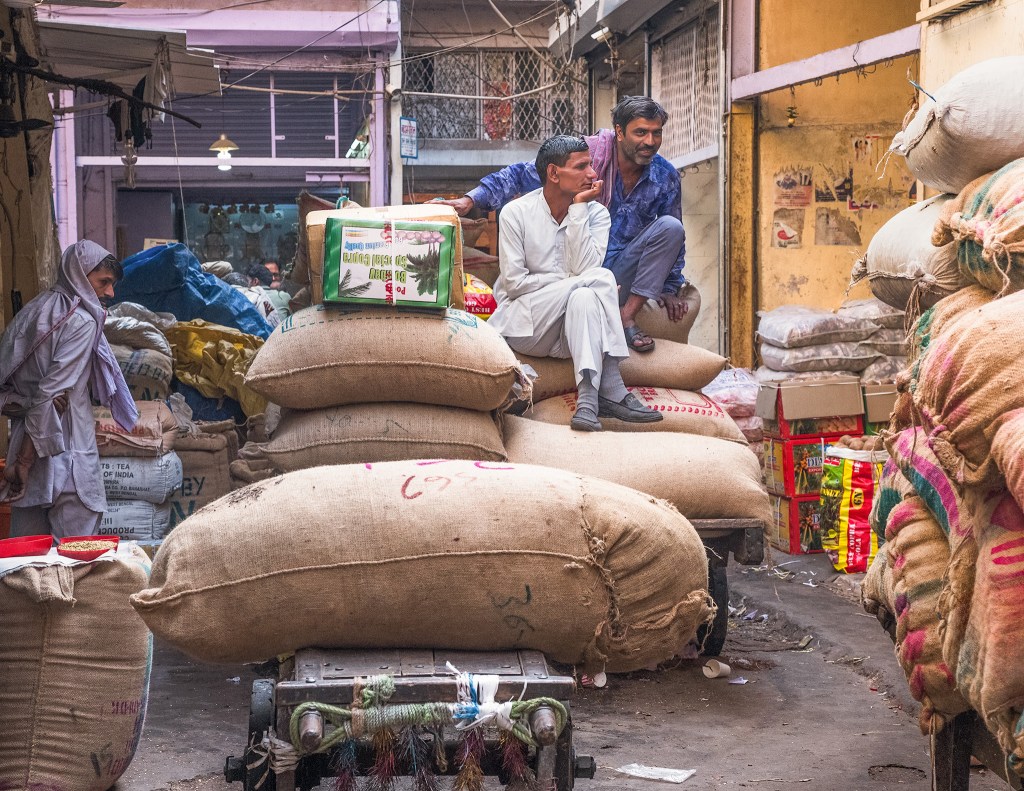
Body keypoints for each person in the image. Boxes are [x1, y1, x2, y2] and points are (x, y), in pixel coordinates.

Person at [438, 96, 687, 353]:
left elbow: (673, 241)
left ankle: (625, 316)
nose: (650, 142)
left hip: (620, 275)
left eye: (656, 133)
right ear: (620, 132)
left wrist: (668, 287)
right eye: (641, 132)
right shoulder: (584, 157)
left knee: (671, 227)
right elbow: (520, 174)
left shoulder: (664, 175)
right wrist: (471, 200)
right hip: (578, 273)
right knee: (581, 287)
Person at [489, 135, 662, 431]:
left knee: (585, 295)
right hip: (526, 326)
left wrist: (579, 208)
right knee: (601, 279)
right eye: (582, 166)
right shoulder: (515, 214)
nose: (593, 174)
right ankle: (612, 382)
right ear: (554, 173)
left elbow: (584, 268)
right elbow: (515, 284)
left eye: (591, 165)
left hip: (574, 333)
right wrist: (575, 281)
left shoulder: (596, 214)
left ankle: (587, 404)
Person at [0, 241, 138, 538]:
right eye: (104, 282)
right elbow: (51, 395)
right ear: (79, 274)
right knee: (77, 565)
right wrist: (24, 463)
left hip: (28, 467)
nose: (110, 293)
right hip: (66, 461)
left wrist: (25, 409)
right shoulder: (81, 322)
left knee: (26, 569)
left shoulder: (31, 312)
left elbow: (13, 395)